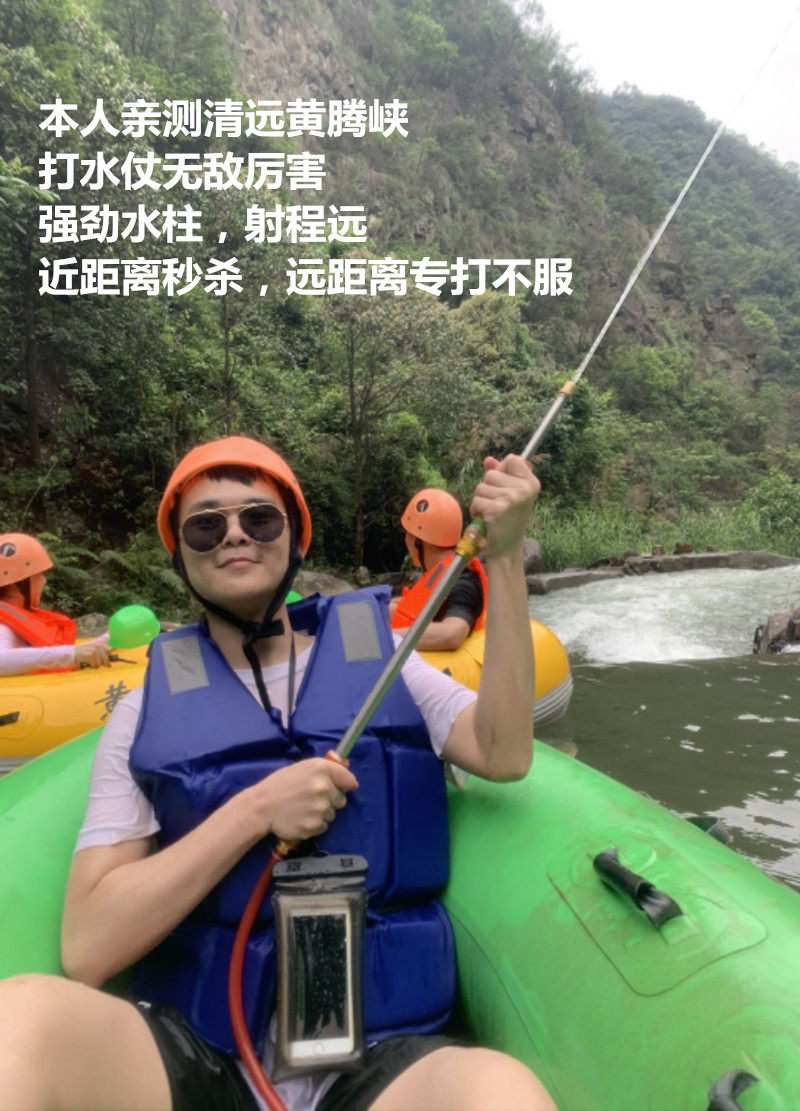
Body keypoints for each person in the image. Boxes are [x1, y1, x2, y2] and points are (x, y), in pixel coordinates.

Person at [0, 436, 556, 1111]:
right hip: (201, 1051)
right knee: (17, 1021)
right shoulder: (141, 713)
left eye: (259, 518)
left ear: (295, 538)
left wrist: (504, 557)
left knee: (500, 1091)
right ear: (180, 555)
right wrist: (254, 810)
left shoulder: (387, 662)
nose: (234, 534)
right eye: (206, 526)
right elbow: (90, 946)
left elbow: (504, 752)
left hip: (382, 1058)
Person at [0, 532, 110, 677]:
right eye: (38, 576)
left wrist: (109, 639)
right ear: (18, 584)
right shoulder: (3, 626)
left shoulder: (15, 620)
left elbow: (60, 655)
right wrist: (72, 654)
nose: (44, 581)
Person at [390, 488, 486, 651]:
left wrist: (385, 640)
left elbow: (452, 634)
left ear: (417, 540)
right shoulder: (435, 576)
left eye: (407, 534)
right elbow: (405, 608)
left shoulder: (463, 583)